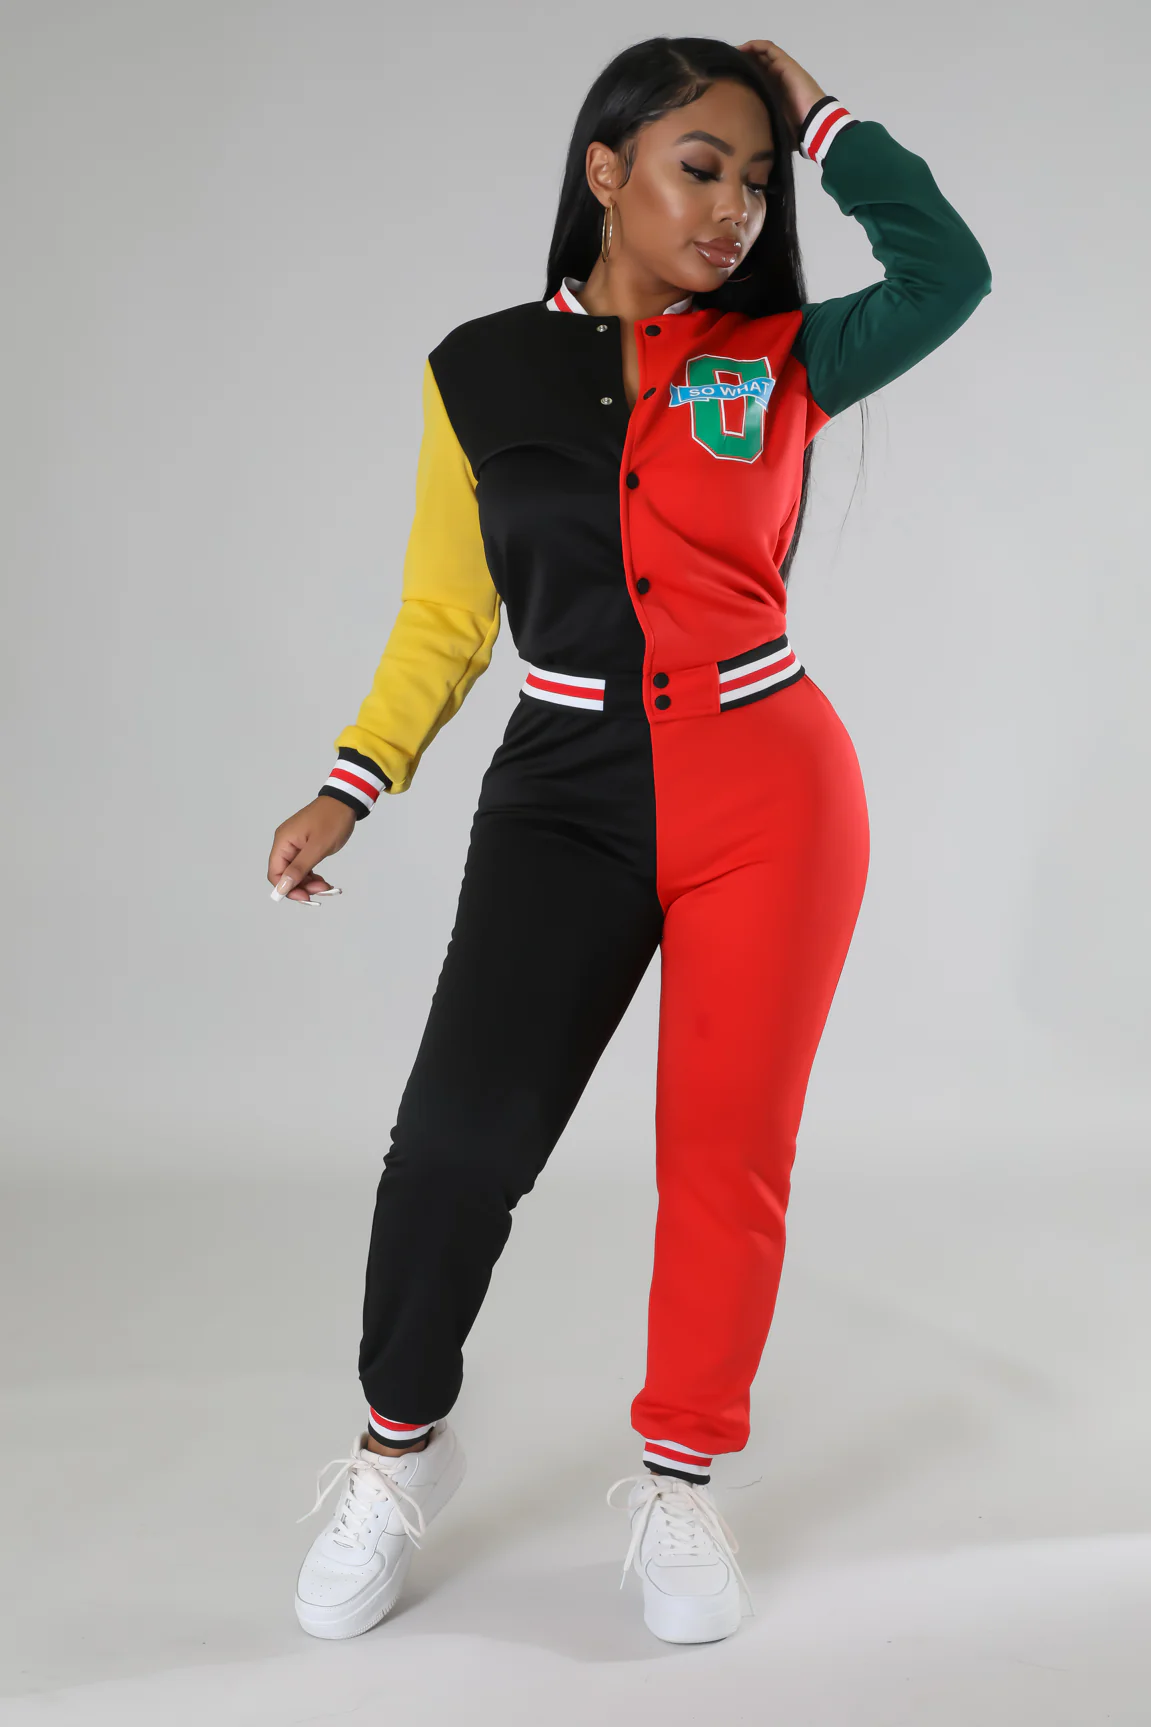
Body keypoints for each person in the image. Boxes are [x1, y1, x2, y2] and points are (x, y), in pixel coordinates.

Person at [268, 35, 991, 1646]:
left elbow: (949, 272)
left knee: (722, 1155)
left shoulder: (785, 355)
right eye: (697, 167)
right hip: (563, 790)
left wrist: (823, 120)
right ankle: (396, 1449)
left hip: (771, 788)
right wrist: (354, 779)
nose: (733, 208)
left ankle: (679, 1477)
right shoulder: (477, 370)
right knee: (456, 1144)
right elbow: (445, 616)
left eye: (755, 180)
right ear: (605, 171)